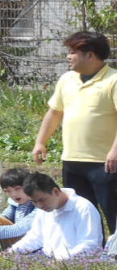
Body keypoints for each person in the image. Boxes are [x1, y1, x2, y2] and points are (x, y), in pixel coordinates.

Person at [32, 31, 117, 234]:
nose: (68, 57)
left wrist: (114, 151)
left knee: (112, 209)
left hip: (105, 162)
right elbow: (54, 112)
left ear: (90, 55)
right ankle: (90, 252)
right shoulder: (67, 79)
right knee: (81, 210)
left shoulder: (113, 80)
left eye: (73, 52)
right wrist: (40, 142)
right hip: (72, 159)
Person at [7, 172, 104, 260]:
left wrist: (62, 261)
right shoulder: (43, 209)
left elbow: (90, 245)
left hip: (77, 265)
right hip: (48, 259)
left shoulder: (83, 208)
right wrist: (10, 252)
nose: (39, 206)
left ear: (56, 191)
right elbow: (36, 237)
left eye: (42, 200)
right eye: (34, 202)